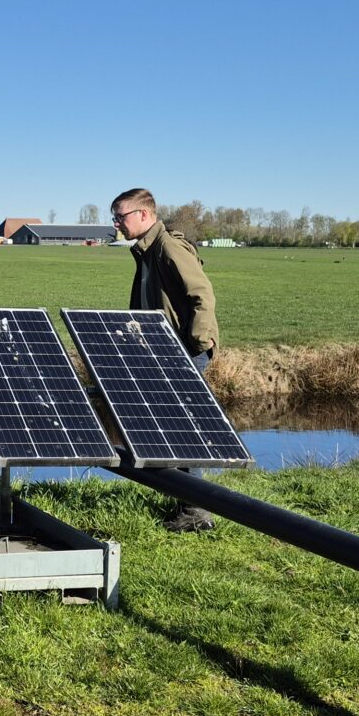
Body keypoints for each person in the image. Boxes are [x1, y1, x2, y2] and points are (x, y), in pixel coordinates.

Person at [111, 186, 221, 531]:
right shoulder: (147, 250)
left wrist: (195, 344)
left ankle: (197, 511)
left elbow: (202, 294)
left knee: (184, 427)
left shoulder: (168, 246)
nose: (117, 224)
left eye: (121, 217)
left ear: (143, 214)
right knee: (168, 425)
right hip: (161, 351)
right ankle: (183, 497)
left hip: (183, 351)